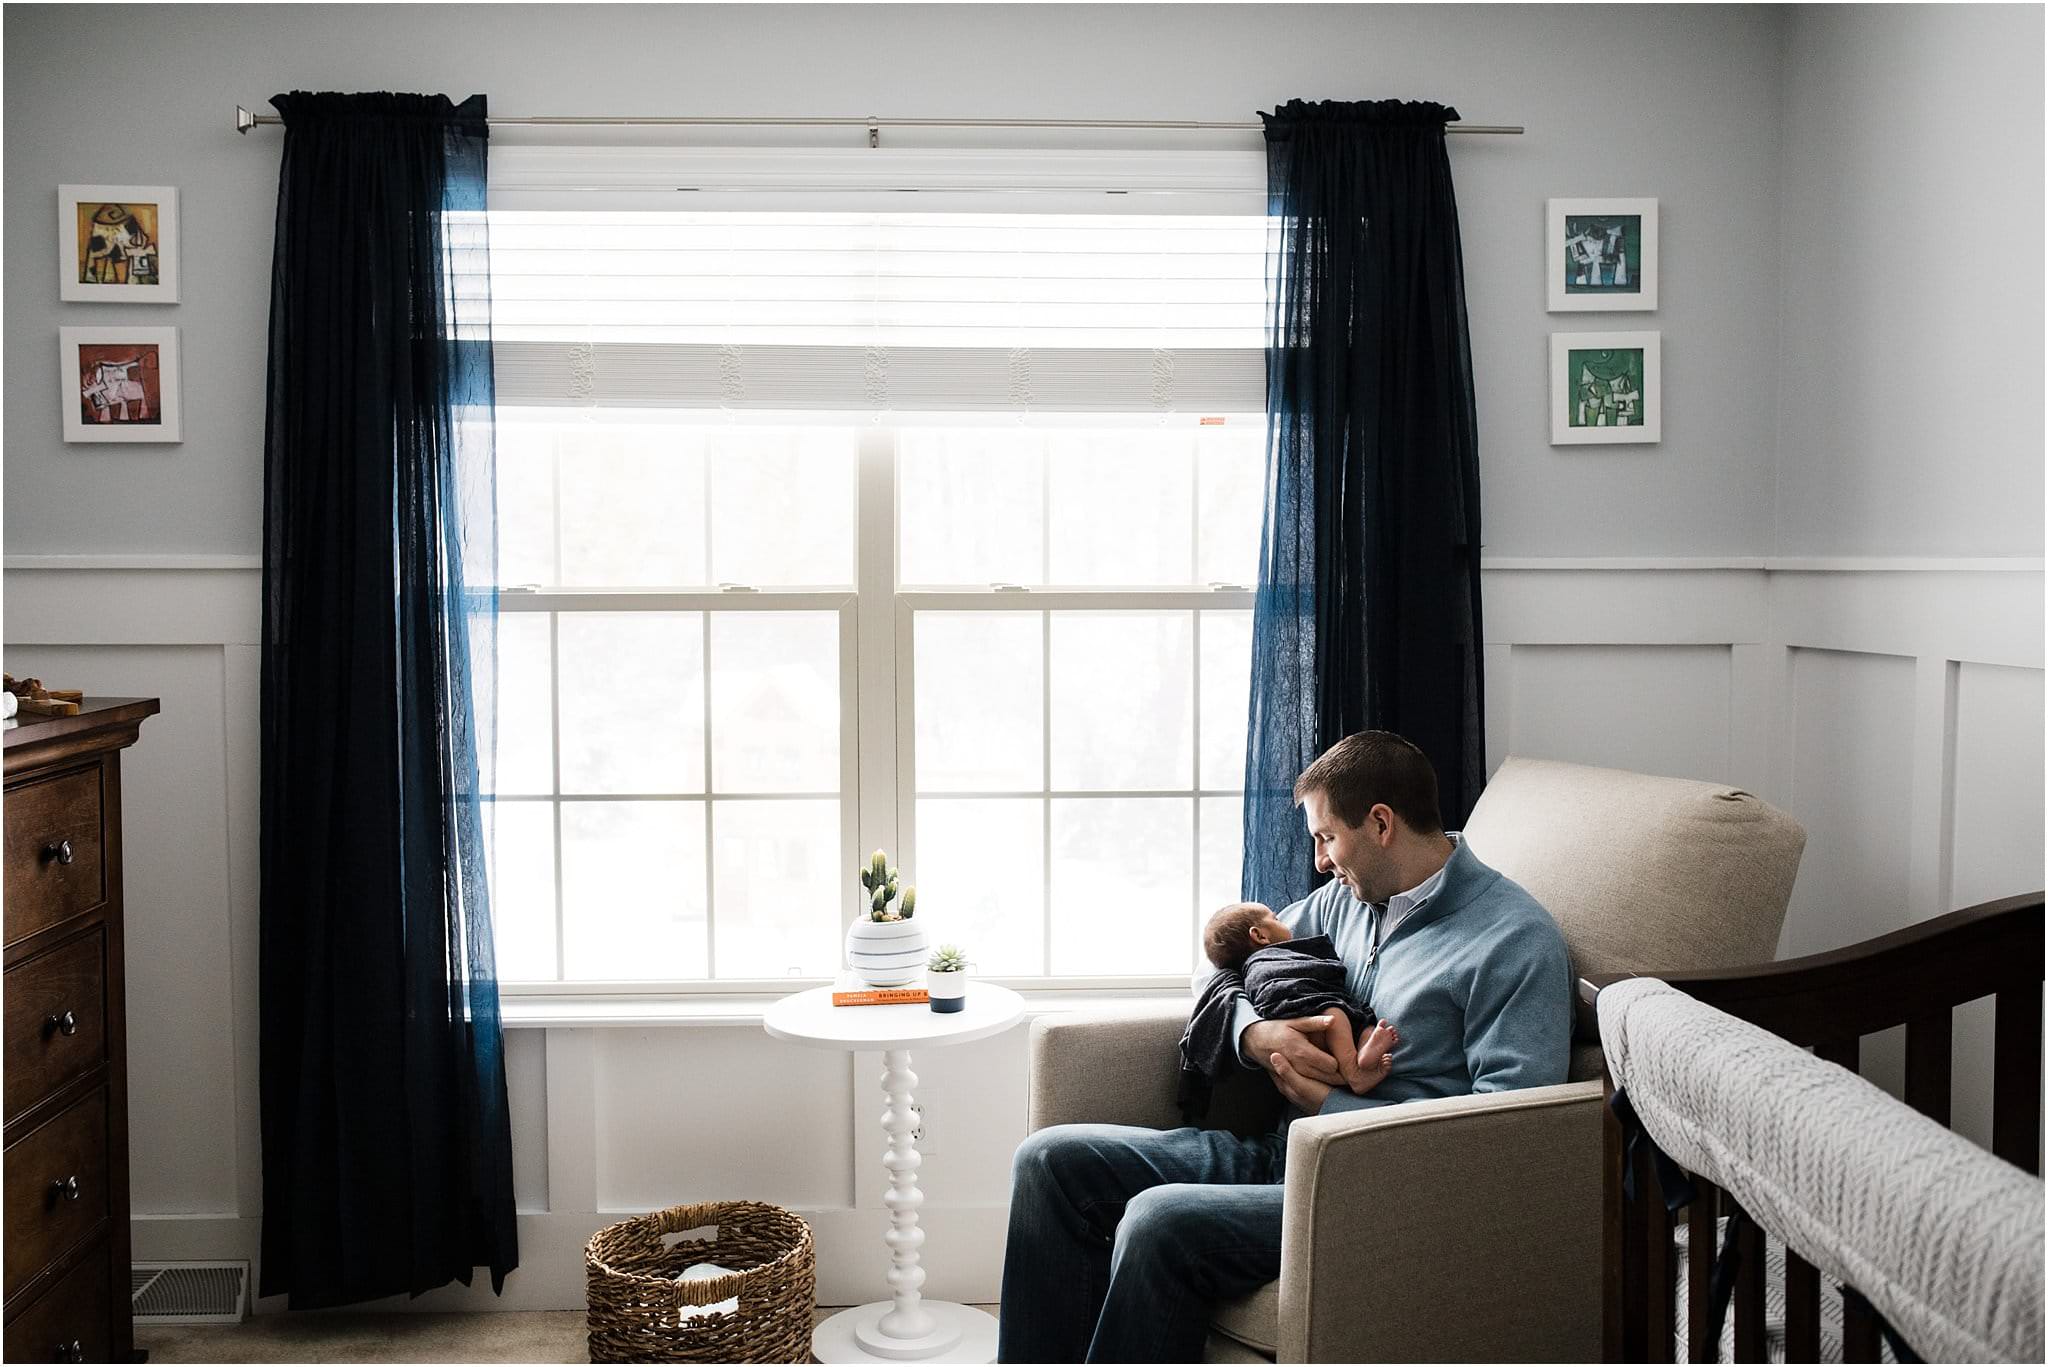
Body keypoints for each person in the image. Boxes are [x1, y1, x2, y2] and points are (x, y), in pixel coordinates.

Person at [997, 730, 1572, 1364]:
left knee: (1159, 1222)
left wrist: (1332, 1108)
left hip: (1383, 1190)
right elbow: (1221, 965)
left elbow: (1515, 1137)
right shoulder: (1344, 904)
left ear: (1381, 823)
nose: (1321, 861)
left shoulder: (1513, 939)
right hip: (1277, 1157)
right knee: (1048, 1161)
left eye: (1327, 838)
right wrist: (1253, 1032)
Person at [1179, 902, 1399, 1116]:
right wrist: (1251, 1030)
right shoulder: (1329, 901)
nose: (1321, 865)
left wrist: (1330, 1103)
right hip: (1306, 1019)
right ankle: (1353, 1069)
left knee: (1362, 1025)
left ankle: (1360, 1062)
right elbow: (1209, 971)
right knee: (1334, 1014)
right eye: (1276, 919)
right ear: (1260, 936)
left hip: (1357, 1128)